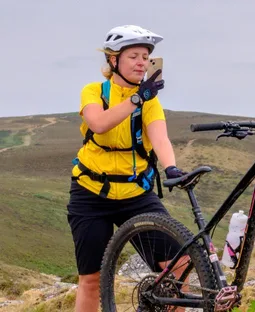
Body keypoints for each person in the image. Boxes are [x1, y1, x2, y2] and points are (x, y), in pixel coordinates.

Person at [67, 24, 189, 312]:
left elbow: (160, 137)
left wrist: (171, 167)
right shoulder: (95, 91)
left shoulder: (150, 100)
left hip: (135, 192)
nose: (141, 62)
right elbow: (98, 124)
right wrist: (137, 99)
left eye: (145, 57)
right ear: (113, 60)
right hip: (91, 193)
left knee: (181, 263)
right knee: (92, 279)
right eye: (134, 55)